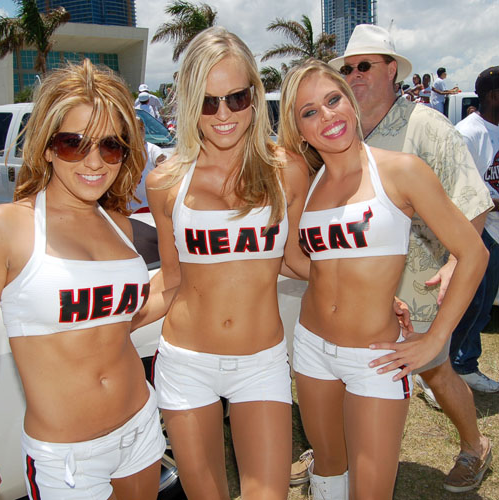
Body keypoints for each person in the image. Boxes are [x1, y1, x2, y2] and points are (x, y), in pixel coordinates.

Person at [0, 60, 166, 500]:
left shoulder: (122, 228)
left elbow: (117, 317)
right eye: (74, 144)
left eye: (110, 146)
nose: (93, 161)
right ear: (47, 147)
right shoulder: (4, 228)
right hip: (66, 457)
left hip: (141, 424)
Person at [278, 57, 487, 500]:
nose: (328, 116)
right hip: (312, 347)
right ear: (298, 129)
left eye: (334, 100)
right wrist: (358, 285)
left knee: (372, 490)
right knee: (329, 467)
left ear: (351, 103)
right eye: (309, 111)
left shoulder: (401, 170)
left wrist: (435, 340)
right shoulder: (308, 181)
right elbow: (294, 259)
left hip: (376, 357)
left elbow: (473, 253)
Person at [144, 26, 309, 500]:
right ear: (189, 103)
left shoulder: (287, 170)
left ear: (255, 98)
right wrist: (110, 325)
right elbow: (172, 280)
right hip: (185, 362)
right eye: (208, 101)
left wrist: (371, 291)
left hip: (261, 361)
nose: (222, 115)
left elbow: (295, 260)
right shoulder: (165, 182)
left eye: (235, 98)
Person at [327, 24, 494, 493]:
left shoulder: (427, 125)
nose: (354, 76)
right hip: (359, 285)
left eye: (364, 66)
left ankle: (474, 445)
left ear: (392, 71)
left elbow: (473, 201)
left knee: (435, 370)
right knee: (351, 369)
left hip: (418, 283)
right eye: (347, 69)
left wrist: (454, 265)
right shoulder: (342, 128)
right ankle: (342, 448)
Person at [449, 66, 499, 392]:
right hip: (476, 232)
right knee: (470, 304)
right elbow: (460, 191)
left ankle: (463, 362)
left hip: (493, 231)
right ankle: (451, 366)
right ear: (494, 96)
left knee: (483, 306)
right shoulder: (469, 133)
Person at [131, 117, 168, 213]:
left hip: (148, 206)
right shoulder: (124, 150)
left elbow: (163, 167)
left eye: (140, 128)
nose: (138, 132)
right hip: (128, 207)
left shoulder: (152, 149)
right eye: (134, 129)